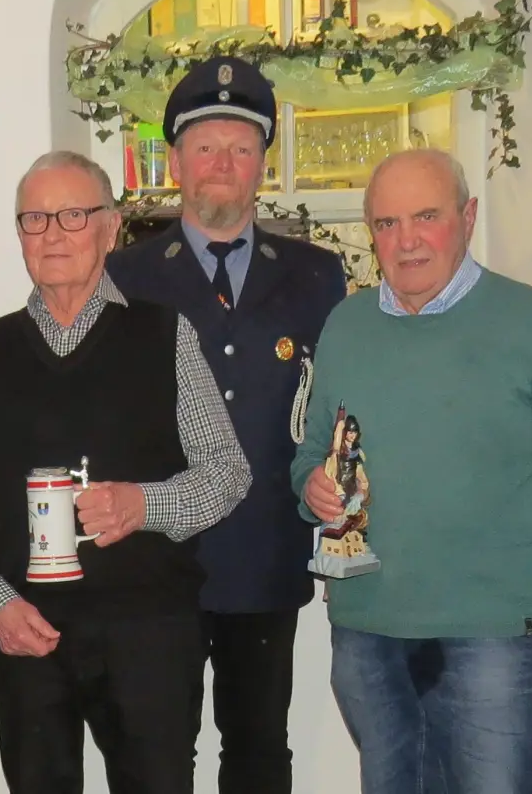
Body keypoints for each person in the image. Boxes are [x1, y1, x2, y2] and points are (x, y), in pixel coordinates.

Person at [291, 148, 532, 794]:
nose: (406, 240)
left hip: (493, 634)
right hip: (368, 628)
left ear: (468, 218)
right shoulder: (345, 324)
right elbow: (311, 454)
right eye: (386, 223)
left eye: (426, 217)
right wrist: (311, 487)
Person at [0, 149, 252, 794]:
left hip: (149, 632)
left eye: (73, 216)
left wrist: (145, 505)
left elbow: (227, 473)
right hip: (29, 632)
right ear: (18, 235)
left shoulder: (165, 337)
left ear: (110, 228)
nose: (53, 235)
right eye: (35, 219)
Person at [107, 55, 347, 794]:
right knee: (155, 758)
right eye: (206, 147)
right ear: (176, 159)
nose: (223, 163)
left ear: (262, 165)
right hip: (158, 561)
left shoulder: (316, 274)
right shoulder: (126, 276)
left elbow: (335, 409)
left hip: (265, 554)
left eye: (242, 149)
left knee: (258, 753)